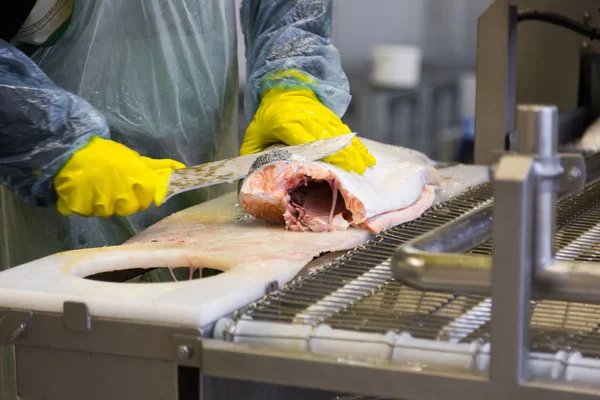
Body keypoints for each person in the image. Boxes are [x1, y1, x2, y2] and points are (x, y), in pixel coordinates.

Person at [0, 0, 375, 278]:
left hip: (206, 195)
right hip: (59, 226)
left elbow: (292, 10)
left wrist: (292, 79)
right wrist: (50, 144)